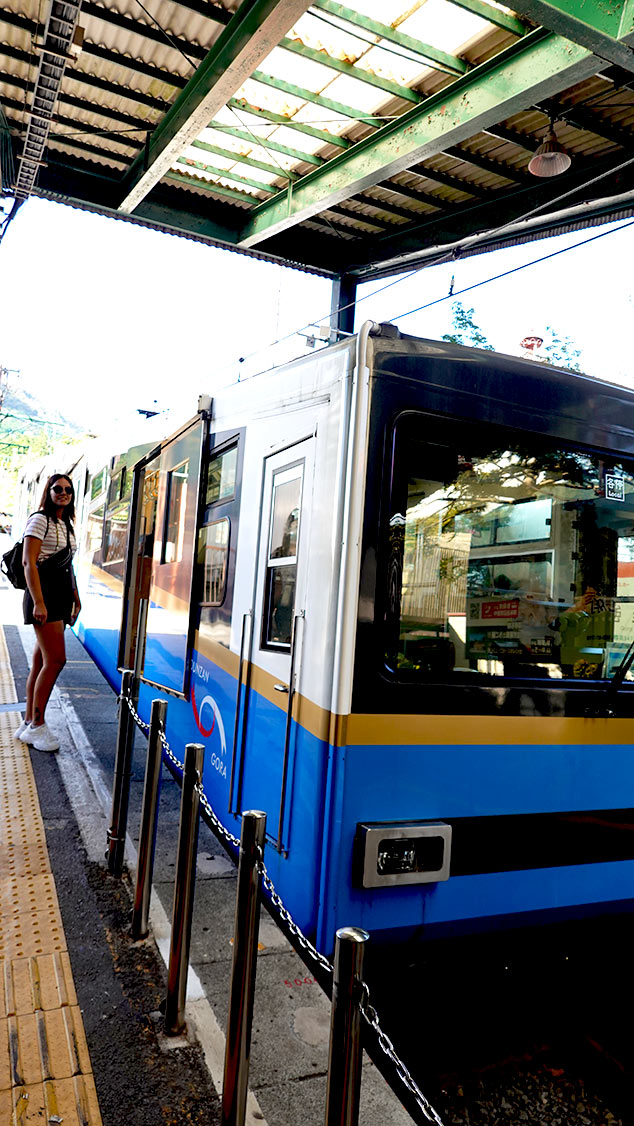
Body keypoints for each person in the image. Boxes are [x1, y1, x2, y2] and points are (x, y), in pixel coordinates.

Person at [13, 474, 81, 751]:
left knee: (42, 661)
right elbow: (29, 562)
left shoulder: (66, 524)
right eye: (57, 489)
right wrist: (39, 603)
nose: (63, 493)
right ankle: (38, 726)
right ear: (48, 492)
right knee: (56, 661)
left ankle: (29, 721)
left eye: (68, 490)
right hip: (45, 597)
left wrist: (76, 598)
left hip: (61, 597)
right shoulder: (40, 519)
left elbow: (68, 565)